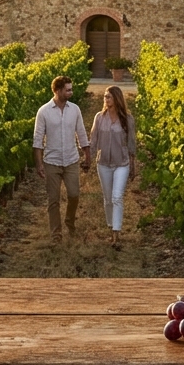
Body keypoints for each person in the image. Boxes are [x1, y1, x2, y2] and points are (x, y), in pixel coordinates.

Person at [33, 75, 90, 236]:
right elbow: (37, 140)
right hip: (52, 161)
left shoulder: (75, 110)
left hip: (71, 159)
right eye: (68, 90)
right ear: (57, 91)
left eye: (71, 89)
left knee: (74, 194)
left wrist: (87, 155)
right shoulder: (43, 112)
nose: (71, 92)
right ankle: (56, 233)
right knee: (53, 200)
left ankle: (70, 222)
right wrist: (39, 164)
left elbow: (81, 133)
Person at [90, 86, 136, 242]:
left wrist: (133, 166)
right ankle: (111, 226)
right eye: (104, 96)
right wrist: (88, 159)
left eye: (108, 96)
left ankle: (117, 233)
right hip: (103, 163)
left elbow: (131, 144)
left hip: (121, 163)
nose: (105, 99)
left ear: (117, 99)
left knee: (117, 197)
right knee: (108, 198)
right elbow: (94, 139)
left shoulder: (127, 119)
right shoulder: (99, 117)